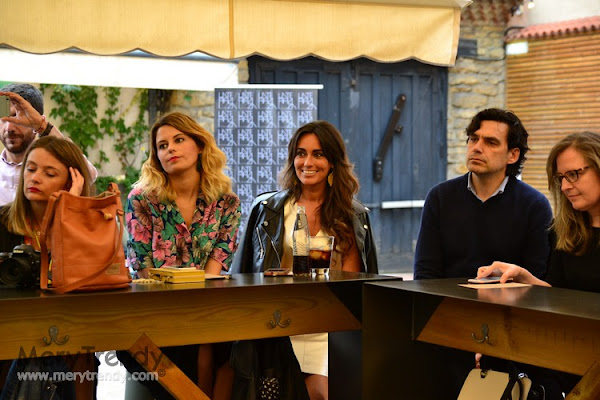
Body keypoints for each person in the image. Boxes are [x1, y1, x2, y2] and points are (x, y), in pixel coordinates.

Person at [231, 120, 378, 400]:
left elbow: (352, 285)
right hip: (277, 323)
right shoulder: (267, 209)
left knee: (320, 392)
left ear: (333, 162)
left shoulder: (352, 215)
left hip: (326, 325)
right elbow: (243, 273)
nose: (307, 162)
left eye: (318, 154)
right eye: (301, 153)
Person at [122, 112, 241, 399]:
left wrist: (198, 317)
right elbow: (144, 273)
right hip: (154, 313)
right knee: (195, 348)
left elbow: (214, 273)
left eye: (178, 140)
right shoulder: (141, 199)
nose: (170, 149)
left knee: (237, 346)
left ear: (198, 145)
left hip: (206, 308)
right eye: (162, 146)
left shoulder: (227, 202)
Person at [477, 131, 600, 397]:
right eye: (560, 178)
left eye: (574, 174)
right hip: (572, 352)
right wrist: (524, 277)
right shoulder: (564, 231)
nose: (565, 186)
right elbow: (559, 298)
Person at [0, 136, 95, 399]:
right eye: (30, 169)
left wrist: (70, 213)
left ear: (71, 181)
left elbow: (87, 283)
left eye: (49, 173)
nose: (35, 178)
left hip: (70, 332)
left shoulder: (88, 226)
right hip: (11, 332)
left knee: (74, 347)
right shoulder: (2, 222)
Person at [414, 108, 552, 280]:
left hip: (508, 297)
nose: (477, 148)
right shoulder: (440, 197)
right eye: (473, 139)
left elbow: (536, 278)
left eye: (491, 142)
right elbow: (425, 274)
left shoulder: (534, 205)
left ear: (513, 155)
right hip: (445, 297)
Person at [0, 84, 98, 206]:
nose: (9, 128)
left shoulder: (55, 162)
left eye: (17, 117)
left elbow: (89, 174)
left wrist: (43, 127)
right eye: (3, 119)